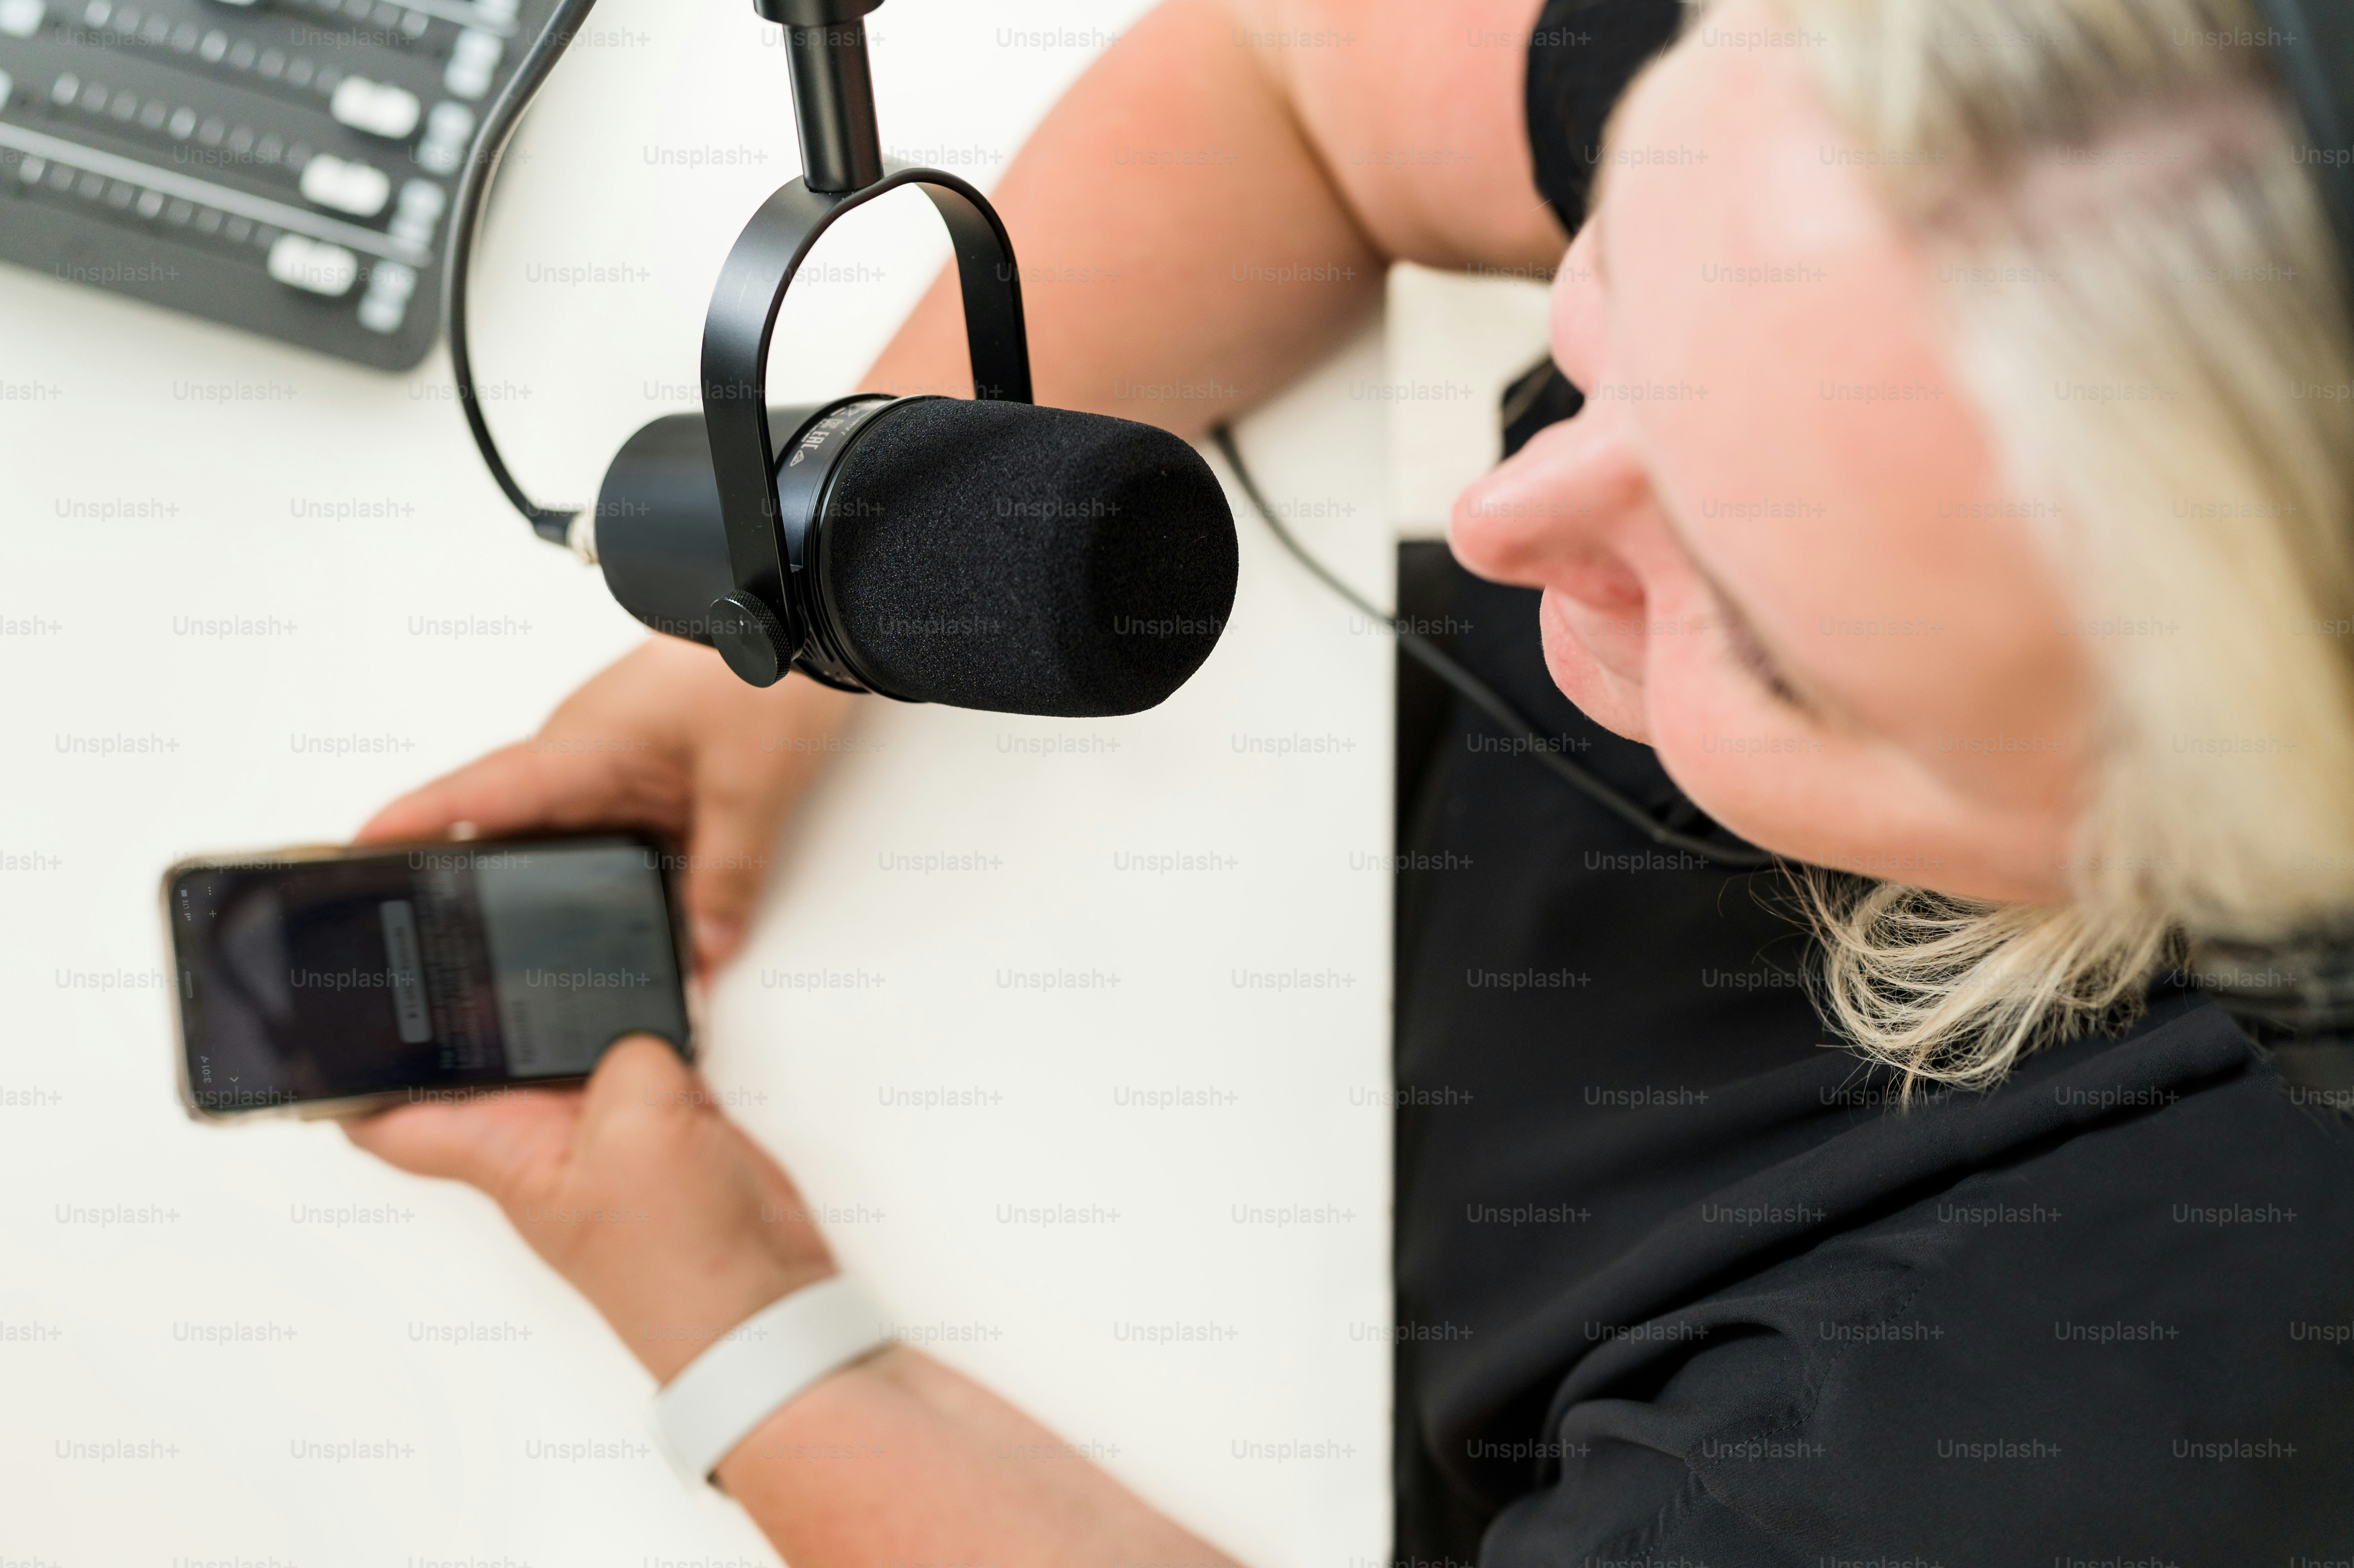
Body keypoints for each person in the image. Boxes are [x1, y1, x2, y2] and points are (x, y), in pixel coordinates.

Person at [346, 0, 2354, 1558]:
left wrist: (748, 1331)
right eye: (1622, 301)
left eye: (1759, 637)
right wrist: (818, 618)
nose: (1498, 513)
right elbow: (1304, 84)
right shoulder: (2083, 125)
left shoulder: (2006, 1460)